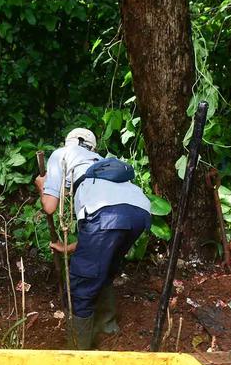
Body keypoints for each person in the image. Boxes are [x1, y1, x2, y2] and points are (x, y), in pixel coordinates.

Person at [35, 128, 151, 349]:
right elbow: (104, 232)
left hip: (105, 216)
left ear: (69, 141)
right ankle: (107, 327)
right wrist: (72, 247)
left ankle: (79, 352)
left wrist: (42, 186)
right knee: (104, 268)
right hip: (139, 212)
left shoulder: (62, 153)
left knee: (81, 286)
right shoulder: (101, 160)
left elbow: (50, 207)